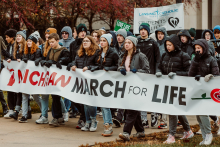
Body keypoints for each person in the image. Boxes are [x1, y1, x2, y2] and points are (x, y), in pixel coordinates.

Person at [155, 34, 194, 144]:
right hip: (167, 87)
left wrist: (177, 74)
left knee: (172, 109)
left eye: (170, 45)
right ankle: (188, 131)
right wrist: (158, 72)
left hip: (180, 88)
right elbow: (160, 66)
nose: (167, 47)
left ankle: (171, 135)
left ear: (175, 45)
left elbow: (189, 72)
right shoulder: (164, 55)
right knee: (176, 109)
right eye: (166, 44)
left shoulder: (184, 56)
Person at [118, 36, 150, 141]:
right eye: (125, 42)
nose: (126, 44)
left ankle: (126, 132)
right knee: (133, 110)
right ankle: (140, 131)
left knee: (131, 110)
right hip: (127, 87)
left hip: (137, 87)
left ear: (134, 44)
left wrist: (137, 71)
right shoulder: (123, 55)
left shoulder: (141, 56)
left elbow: (147, 70)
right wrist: (121, 69)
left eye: (129, 42)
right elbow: (119, 67)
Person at [189, 39, 219, 145]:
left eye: (199, 48)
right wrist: (195, 62)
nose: (197, 50)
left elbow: (216, 76)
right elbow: (190, 74)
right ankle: (204, 136)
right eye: (195, 48)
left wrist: (210, 76)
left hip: (208, 92)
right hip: (198, 91)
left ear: (204, 48)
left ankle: (208, 134)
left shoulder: (211, 59)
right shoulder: (195, 59)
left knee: (203, 113)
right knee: (198, 114)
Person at [70, 36, 99, 131]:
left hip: (92, 81)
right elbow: (74, 62)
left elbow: (98, 66)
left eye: (87, 41)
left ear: (92, 43)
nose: (85, 42)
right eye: (84, 41)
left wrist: (89, 67)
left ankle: (94, 120)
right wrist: (73, 65)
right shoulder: (79, 54)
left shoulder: (95, 54)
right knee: (84, 102)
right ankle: (87, 121)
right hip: (81, 82)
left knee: (90, 103)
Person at [41, 33, 70, 126]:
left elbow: (66, 59)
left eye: (53, 42)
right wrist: (45, 61)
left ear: (58, 41)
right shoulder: (51, 50)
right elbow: (47, 59)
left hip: (62, 78)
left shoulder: (64, 50)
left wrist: (57, 62)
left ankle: (58, 116)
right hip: (53, 78)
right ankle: (58, 117)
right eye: (50, 42)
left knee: (58, 97)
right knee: (55, 97)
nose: (51, 44)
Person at [136, 23, 161, 128]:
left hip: (151, 74)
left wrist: (158, 71)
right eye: (141, 30)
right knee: (142, 97)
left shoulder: (153, 43)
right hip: (139, 74)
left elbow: (158, 58)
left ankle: (154, 117)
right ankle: (144, 119)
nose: (142, 31)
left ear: (148, 31)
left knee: (152, 97)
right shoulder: (136, 42)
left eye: (144, 30)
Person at [95, 34, 119, 136]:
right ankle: (107, 123)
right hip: (101, 80)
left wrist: (109, 69)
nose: (102, 42)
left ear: (108, 42)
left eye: (104, 40)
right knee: (102, 103)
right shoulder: (99, 52)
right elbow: (97, 65)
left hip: (110, 81)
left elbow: (118, 66)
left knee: (105, 104)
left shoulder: (113, 52)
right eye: (101, 40)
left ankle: (108, 125)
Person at [67, 23, 87, 128]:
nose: (83, 33)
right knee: (73, 98)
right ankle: (83, 114)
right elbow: (71, 59)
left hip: (85, 74)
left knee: (84, 97)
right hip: (75, 74)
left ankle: (84, 117)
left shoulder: (88, 43)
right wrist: (71, 65)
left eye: (84, 31)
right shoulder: (72, 45)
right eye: (81, 31)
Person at [19, 33, 42, 123]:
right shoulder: (26, 52)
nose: (28, 42)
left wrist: (37, 60)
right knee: (24, 96)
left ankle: (44, 111)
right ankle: (24, 115)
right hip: (26, 77)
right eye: (28, 41)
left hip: (34, 78)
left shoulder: (38, 51)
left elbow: (39, 59)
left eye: (30, 41)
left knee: (36, 96)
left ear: (34, 42)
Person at [8, 30, 26, 120]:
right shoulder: (15, 47)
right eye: (17, 36)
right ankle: (17, 111)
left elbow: (27, 59)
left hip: (25, 73)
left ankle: (19, 111)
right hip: (18, 73)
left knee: (24, 93)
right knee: (19, 91)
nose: (18, 37)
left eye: (20, 36)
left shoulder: (25, 47)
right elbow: (13, 57)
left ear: (23, 38)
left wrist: (22, 61)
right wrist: (10, 60)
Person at [3, 29, 17, 118]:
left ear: (12, 38)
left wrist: (8, 55)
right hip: (10, 71)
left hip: (16, 71)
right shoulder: (8, 46)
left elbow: (15, 56)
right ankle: (11, 109)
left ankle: (18, 109)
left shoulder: (16, 46)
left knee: (17, 91)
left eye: (7, 37)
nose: (6, 39)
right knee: (10, 89)